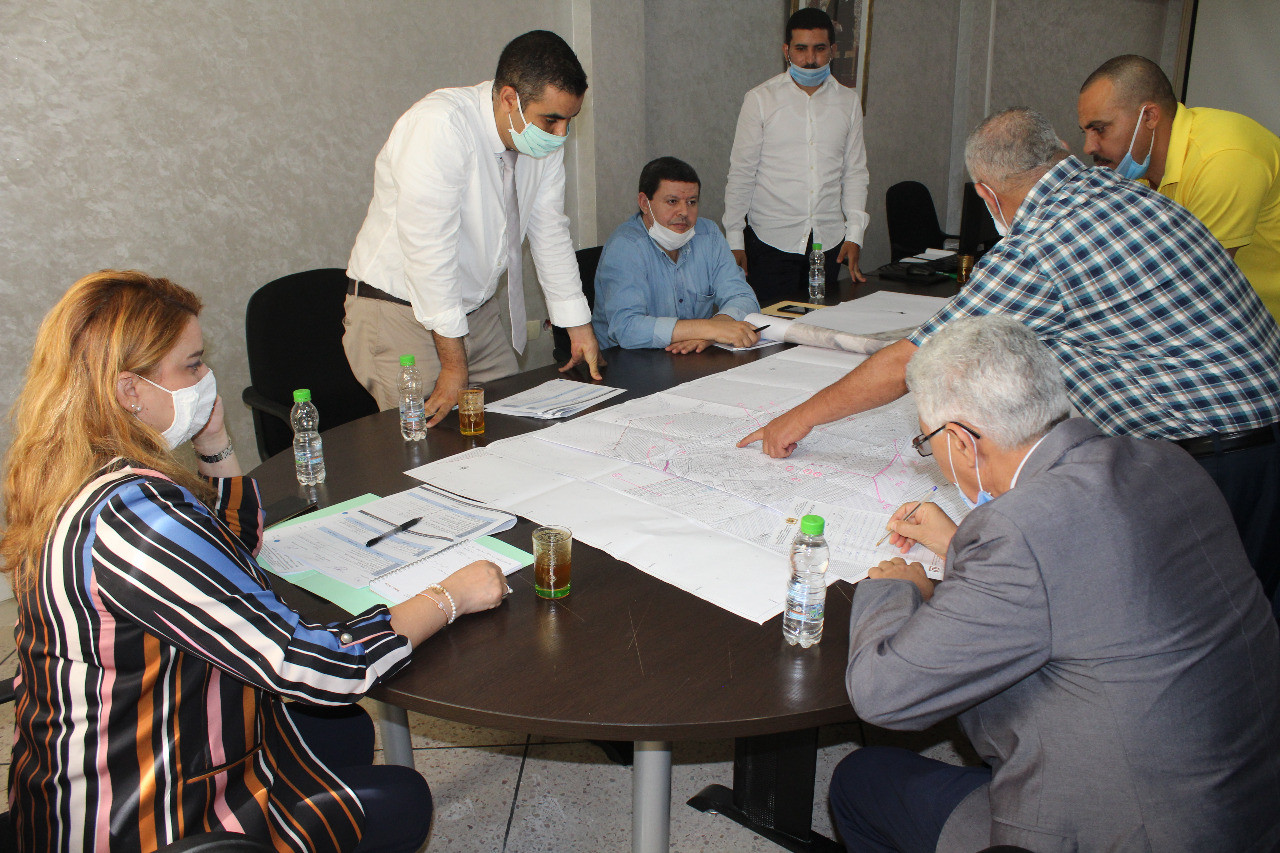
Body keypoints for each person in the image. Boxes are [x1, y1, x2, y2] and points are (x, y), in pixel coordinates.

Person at [1, 271, 508, 852]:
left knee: (341, 732)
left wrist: (212, 441)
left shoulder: (79, 474)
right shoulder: (137, 520)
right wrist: (449, 596)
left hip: (87, 777)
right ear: (129, 391)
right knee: (402, 798)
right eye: (192, 365)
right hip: (140, 816)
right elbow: (315, 667)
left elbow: (229, 549)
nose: (207, 379)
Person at [740, 107, 1280, 608]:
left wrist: (798, 418)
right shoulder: (1133, 196)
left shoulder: (1041, 246)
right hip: (1261, 428)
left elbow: (913, 361)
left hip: (1216, 459)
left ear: (985, 193)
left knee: (1208, 618)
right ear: (1059, 150)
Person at [829, 316, 1280, 852]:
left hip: (1132, 835)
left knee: (862, 779)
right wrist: (959, 545)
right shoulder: (1164, 459)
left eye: (929, 441)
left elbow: (882, 696)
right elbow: (1096, 573)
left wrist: (895, 588)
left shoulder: (1020, 533)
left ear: (960, 440)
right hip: (1243, 805)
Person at [345, 29, 602, 422]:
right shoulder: (440, 126)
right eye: (552, 120)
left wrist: (578, 326)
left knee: (514, 427)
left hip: (476, 313)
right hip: (402, 312)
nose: (561, 134)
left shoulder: (537, 138)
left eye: (570, 120)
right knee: (432, 445)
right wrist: (453, 365)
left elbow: (550, 231)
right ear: (509, 99)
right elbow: (430, 253)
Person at [1078, 54, 1280, 320]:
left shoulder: (1222, 159)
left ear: (1149, 117)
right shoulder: (1136, 168)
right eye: (1085, 132)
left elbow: (1194, 292)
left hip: (1261, 328)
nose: (1088, 147)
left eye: (1100, 129)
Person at [722, 7, 869, 307]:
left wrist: (855, 234)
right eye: (801, 49)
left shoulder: (848, 102)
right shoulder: (760, 100)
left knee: (821, 325)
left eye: (819, 48)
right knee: (770, 328)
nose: (810, 58)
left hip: (828, 242)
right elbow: (741, 173)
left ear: (833, 51)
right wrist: (735, 239)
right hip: (770, 242)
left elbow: (854, 172)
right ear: (786, 51)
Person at [592, 157, 761, 352]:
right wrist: (708, 329)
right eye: (672, 201)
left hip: (692, 355)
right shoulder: (625, 247)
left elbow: (743, 297)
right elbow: (626, 328)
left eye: (692, 202)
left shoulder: (709, 234)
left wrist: (718, 327)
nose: (684, 212)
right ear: (644, 203)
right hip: (629, 359)